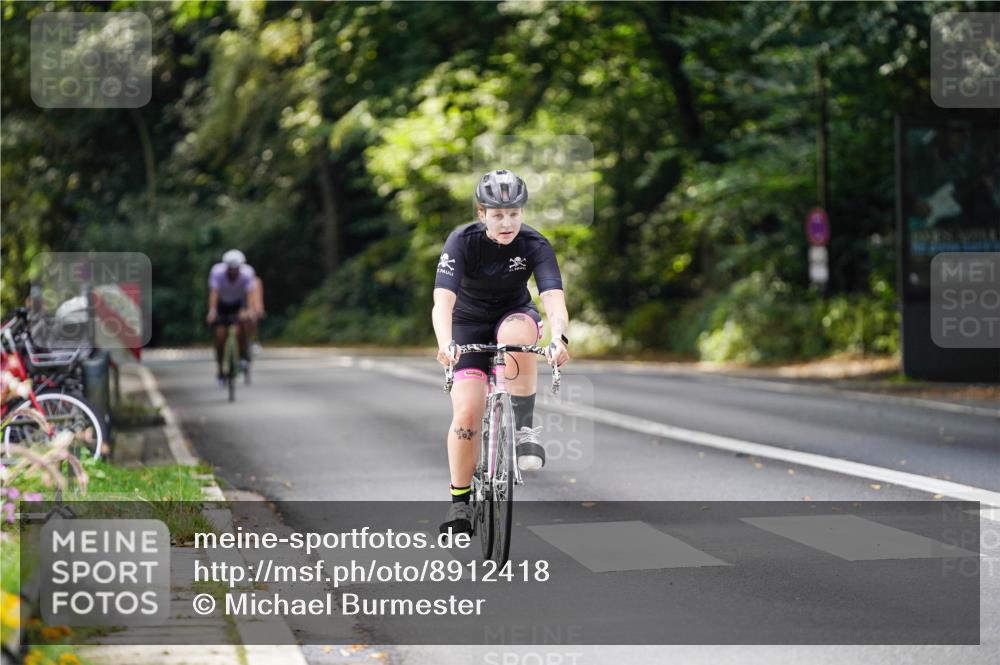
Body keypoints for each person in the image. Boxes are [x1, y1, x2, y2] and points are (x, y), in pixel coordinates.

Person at [432, 169, 570, 535]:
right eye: (497, 214)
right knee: (466, 415)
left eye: (514, 213)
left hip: (514, 313)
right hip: (467, 323)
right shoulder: (462, 241)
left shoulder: (534, 244)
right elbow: (442, 302)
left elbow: (553, 298)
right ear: (482, 213)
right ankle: (459, 504)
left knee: (516, 335)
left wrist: (560, 338)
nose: (507, 222)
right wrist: (445, 342)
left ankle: (524, 427)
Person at [206, 249, 257, 384]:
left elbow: (250, 294)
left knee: (242, 327)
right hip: (222, 304)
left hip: (239, 304)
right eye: (231, 269)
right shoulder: (217, 272)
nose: (233, 272)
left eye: (236, 269)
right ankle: (220, 370)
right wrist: (212, 311)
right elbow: (214, 293)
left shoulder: (247, 273)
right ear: (226, 267)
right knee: (220, 336)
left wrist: (250, 311)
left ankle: (243, 356)